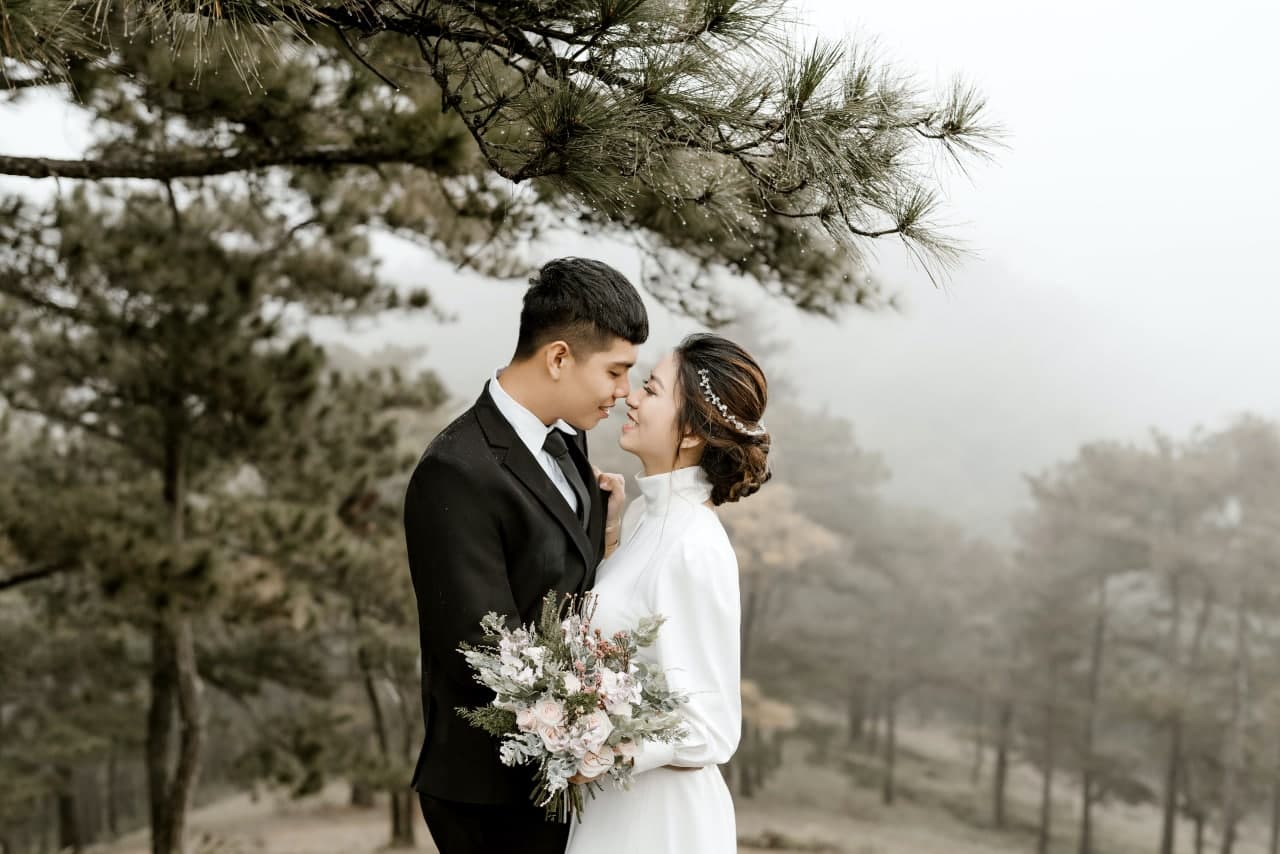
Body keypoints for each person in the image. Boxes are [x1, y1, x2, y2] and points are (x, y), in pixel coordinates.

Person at [403, 257, 648, 854]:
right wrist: (595, 727)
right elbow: (479, 647)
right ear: (559, 357)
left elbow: (565, 582)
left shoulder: (569, 435)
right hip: (491, 794)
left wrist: (607, 533)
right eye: (615, 371)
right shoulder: (455, 470)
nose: (624, 392)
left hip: (562, 779)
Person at [565, 332, 771, 854]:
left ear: (692, 431)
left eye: (652, 390)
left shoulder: (697, 547)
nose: (630, 397)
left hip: (660, 822)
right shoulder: (643, 515)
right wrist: (612, 538)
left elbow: (712, 727)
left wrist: (605, 752)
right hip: (613, 807)